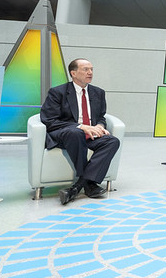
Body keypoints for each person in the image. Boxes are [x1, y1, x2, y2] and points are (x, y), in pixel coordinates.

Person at [40, 58, 121, 205]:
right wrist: (80, 126)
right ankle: (89, 184)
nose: (90, 72)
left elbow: (101, 116)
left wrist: (100, 126)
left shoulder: (98, 92)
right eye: (85, 69)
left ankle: (78, 187)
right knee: (75, 133)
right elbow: (49, 120)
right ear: (73, 73)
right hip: (66, 133)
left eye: (91, 69)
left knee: (112, 141)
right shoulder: (57, 92)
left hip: (90, 134)